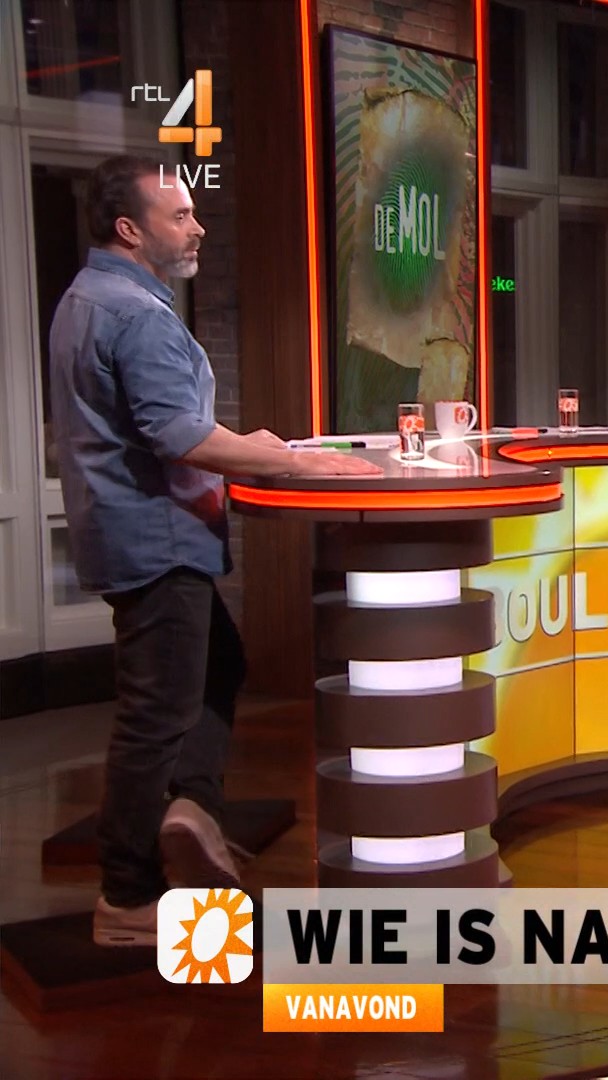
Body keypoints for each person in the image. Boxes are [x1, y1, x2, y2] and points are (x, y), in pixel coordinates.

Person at [48, 155, 383, 947]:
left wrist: (257, 446)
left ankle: (190, 809)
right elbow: (180, 435)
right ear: (130, 229)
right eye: (180, 216)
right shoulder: (135, 313)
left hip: (135, 534)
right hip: (155, 540)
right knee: (156, 715)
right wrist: (293, 460)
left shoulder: (87, 296)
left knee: (217, 666)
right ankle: (127, 897)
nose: (197, 227)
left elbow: (163, 423)